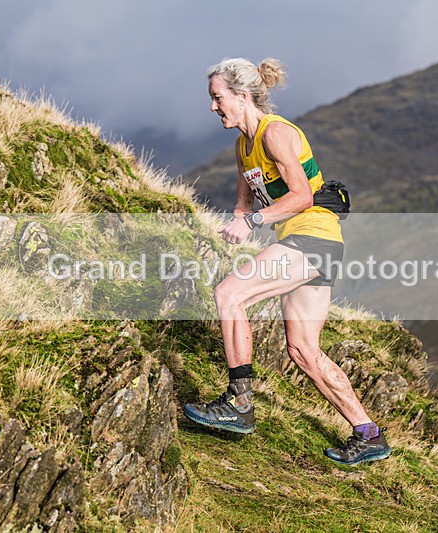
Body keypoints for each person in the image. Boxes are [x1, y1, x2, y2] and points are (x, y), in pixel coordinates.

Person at [183, 57, 391, 465]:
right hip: (310, 245)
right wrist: (237, 222)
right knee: (303, 351)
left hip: (312, 240)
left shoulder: (274, 133)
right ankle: (369, 434)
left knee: (230, 295)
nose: (212, 107)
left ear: (241, 96)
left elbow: (301, 196)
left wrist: (256, 221)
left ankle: (239, 403)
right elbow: (244, 205)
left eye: (217, 98)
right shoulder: (244, 147)